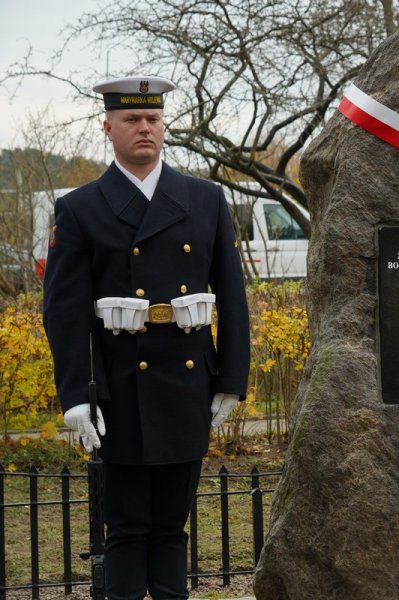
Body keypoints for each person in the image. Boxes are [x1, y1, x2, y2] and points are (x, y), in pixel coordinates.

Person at [42, 75, 250, 599]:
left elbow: (231, 293)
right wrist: (75, 394)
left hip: (185, 385)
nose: (144, 129)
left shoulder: (205, 200)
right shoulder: (81, 207)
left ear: (164, 126)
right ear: (107, 127)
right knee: (128, 529)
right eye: (132, 120)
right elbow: (64, 312)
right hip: (120, 390)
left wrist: (231, 378)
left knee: (172, 529)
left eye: (153, 119)